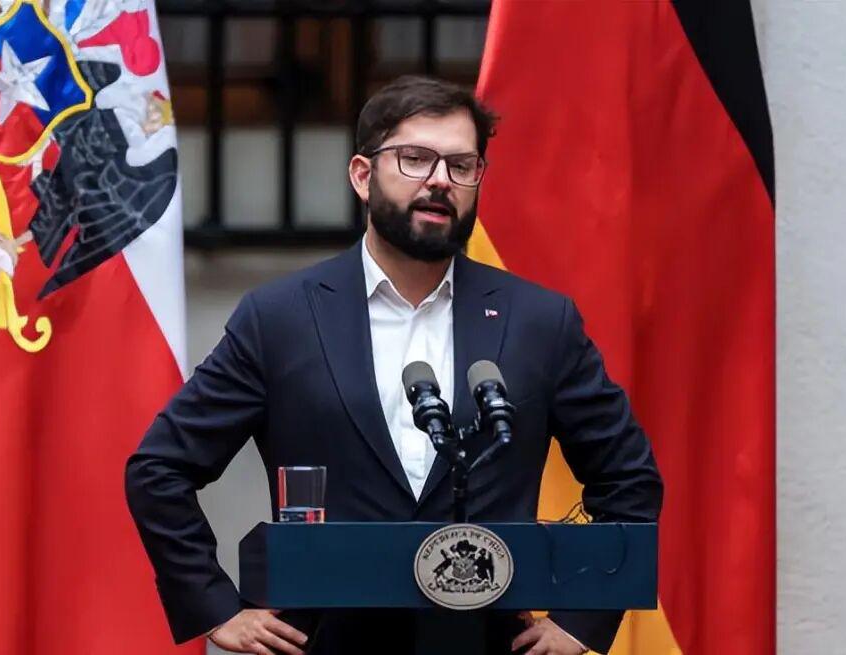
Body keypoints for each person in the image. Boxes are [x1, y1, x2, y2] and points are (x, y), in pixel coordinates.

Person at [125, 75, 663, 655]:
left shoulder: (538, 321)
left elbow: (628, 479)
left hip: (484, 641)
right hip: (323, 643)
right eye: (415, 159)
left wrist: (583, 619)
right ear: (363, 175)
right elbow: (160, 469)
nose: (440, 180)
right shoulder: (281, 318)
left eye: (462, 165)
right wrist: (215, 606)